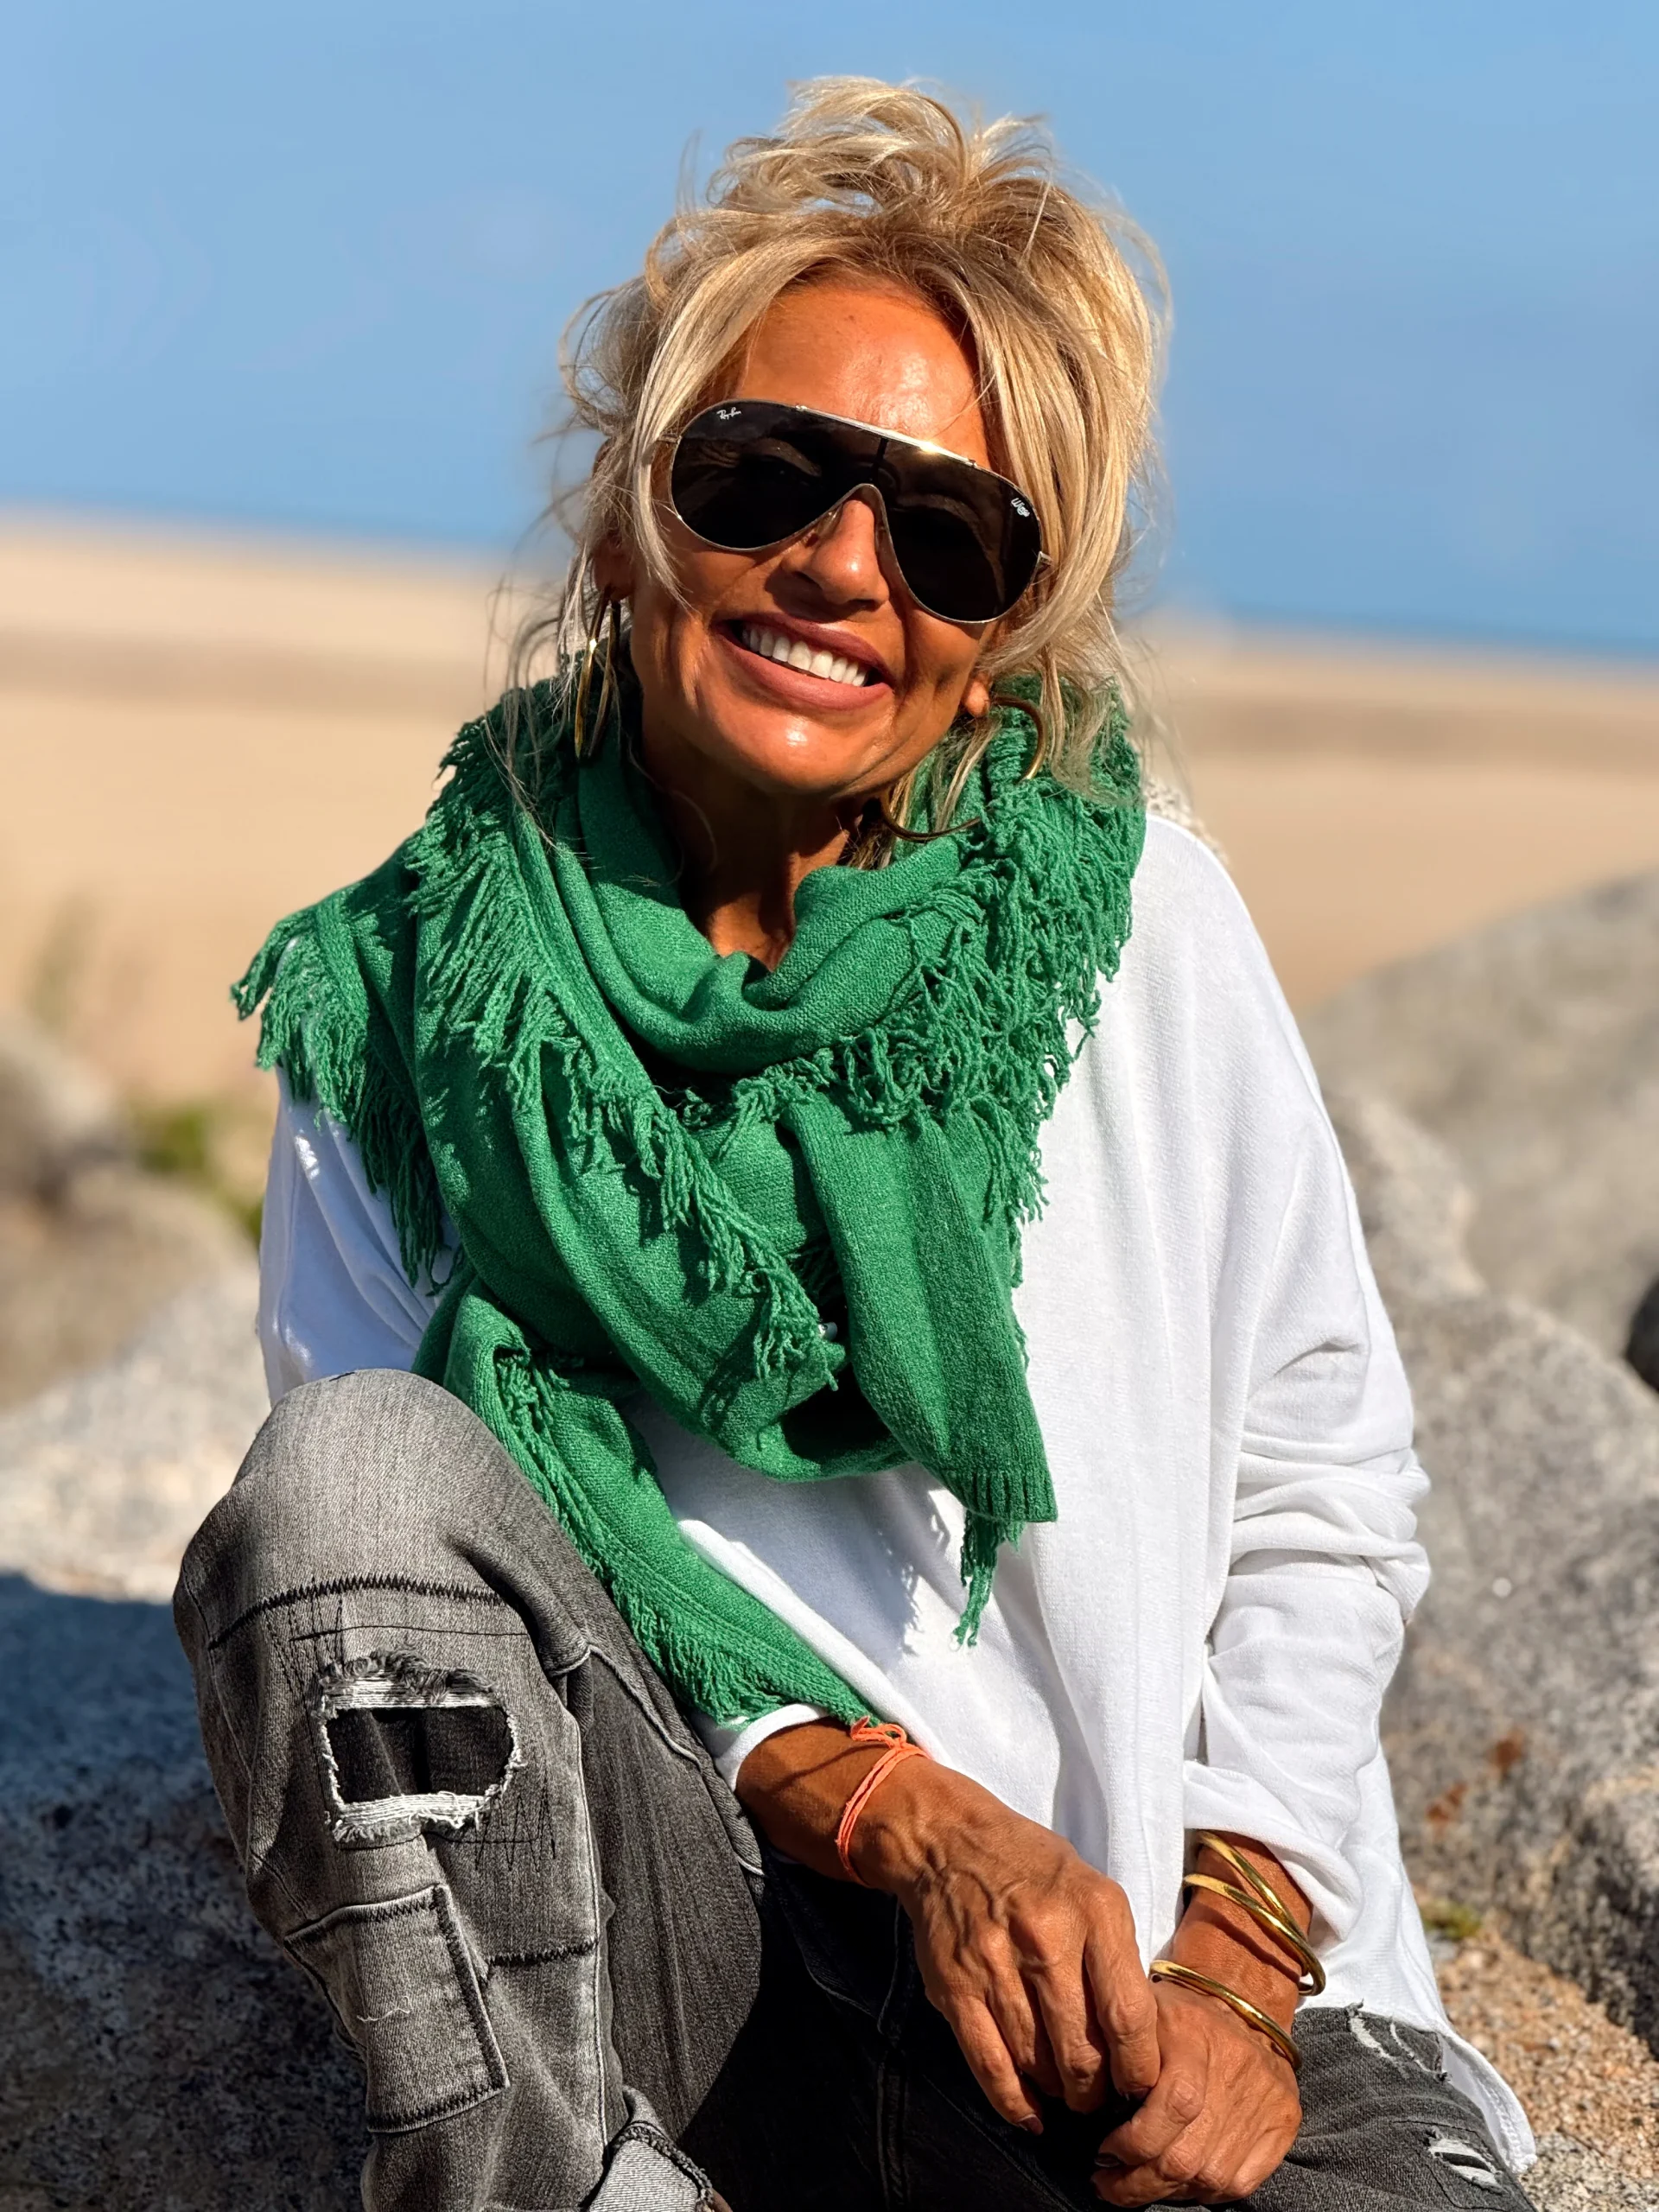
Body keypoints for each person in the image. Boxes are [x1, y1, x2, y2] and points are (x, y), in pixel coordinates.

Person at [175, 78, 1535, 2212]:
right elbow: (389, 1600)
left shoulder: (1128, 935)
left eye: (947, 536)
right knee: (348, 1476)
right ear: (630, 515)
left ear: (998, 646)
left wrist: (1243, 1955)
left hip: (1147, 1999)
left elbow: (1324, 1477)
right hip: (717, 1968)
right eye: (765, 475)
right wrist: (904, 1822)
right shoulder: (408, 1003)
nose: (839, 565)